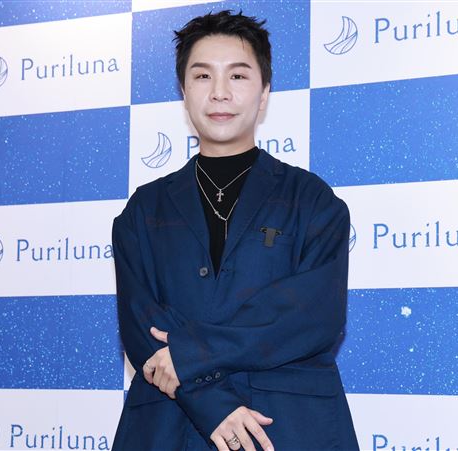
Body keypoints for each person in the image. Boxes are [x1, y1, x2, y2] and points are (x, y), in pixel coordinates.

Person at [111, 10, 358, 451]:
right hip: (169, 427)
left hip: (287, 427)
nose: (220, 92)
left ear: (264, 94)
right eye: (203, 76)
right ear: (184, 91)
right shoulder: (144, 210)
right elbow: (141, 326)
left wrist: (191, 352)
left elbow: (312, 316)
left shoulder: (311, 200)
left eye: (238, 76)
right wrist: (212, 403)